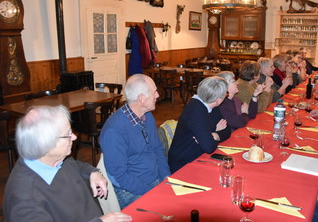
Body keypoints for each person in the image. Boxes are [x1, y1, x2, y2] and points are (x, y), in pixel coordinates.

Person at [3, 105, 132, 222]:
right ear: (46, 144)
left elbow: (74, 165)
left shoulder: (51, 161)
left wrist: (92, 172)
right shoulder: (25, 200)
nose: (74, 137)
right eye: (68, 134)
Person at [100, 74, 170, 209]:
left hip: (155, 179)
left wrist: (166, 176)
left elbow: (157, 150)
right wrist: (151, 191)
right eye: (154, 92)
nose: (158, 95)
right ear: (142, 99)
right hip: (131, 191)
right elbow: (119, 176)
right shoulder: (114, 130)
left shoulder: (147, 117)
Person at [168, 76, 231, 173]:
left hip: (198, 157)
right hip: (183, 165)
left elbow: (227, 130)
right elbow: (209, 147)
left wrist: (214, 135)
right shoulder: (196, 110)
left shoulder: (211, 104)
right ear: (218, 99)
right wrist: (213, 135)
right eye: (225, 95)